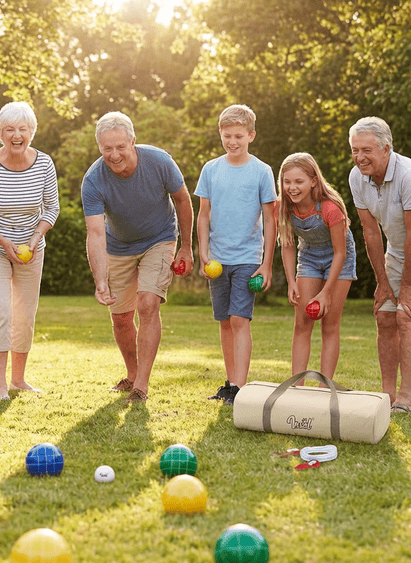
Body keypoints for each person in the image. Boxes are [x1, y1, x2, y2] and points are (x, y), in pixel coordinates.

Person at [81, 111, 194, 403]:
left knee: (147, 303)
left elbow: (182, 198)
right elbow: (95, 233)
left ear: (133, 141)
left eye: (120, 146)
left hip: (159, 238)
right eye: (107, 148)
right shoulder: (93, 180)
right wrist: (99, 279)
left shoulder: (159, 161)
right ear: (100, 148)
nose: (114, 154)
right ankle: (131, 374)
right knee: (120, 317)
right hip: (118, 246)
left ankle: (141, 385)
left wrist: (186, 247)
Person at [0, 101, 59, 399]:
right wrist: (3, 242)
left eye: (23, 129)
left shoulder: (44, 163)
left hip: (31, 247)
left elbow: (52, 207)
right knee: (0, 311)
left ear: (32, 131)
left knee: (24, 314)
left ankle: (18, 379)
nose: (16, 135)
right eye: (10, 130)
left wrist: (35, 238)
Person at [196, 104, 276, 405]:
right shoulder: (211, 170)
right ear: (221, 134)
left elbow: (271, 219)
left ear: (251, 135)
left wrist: (267, 264)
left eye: (239, 136)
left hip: (247, 257)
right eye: (227, 136)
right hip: (217, 258)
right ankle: (230, 384)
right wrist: (203, 253)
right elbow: (203, 214)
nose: (232, 142)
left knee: (239, 319)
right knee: (225, 322)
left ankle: (240, 389)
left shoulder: (261, 171)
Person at [349, 116, 411, 412]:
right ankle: (386, 396)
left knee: (406, 316)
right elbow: (371, 231)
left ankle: (407, 396)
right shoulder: (356, 177)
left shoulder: (407, 175)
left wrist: (407, 288)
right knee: (385, 315)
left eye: (367, 150)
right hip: (397, 253)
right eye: (355, 150)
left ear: (386, 149)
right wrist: (383, 283)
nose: (360, 157)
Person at [277, 152, 357, 381]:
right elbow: (288, 245)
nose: (292, 187)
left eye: (298, 181)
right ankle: (296, 385)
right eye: (287, 181)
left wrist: (326, 292)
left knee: (329, 325)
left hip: (339, 259)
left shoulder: (330, 208)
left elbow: (340, 252)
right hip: (310, 257)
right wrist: (292, 281)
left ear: (313, 181)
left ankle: (325, 388)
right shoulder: (284, 207)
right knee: (302, 321)